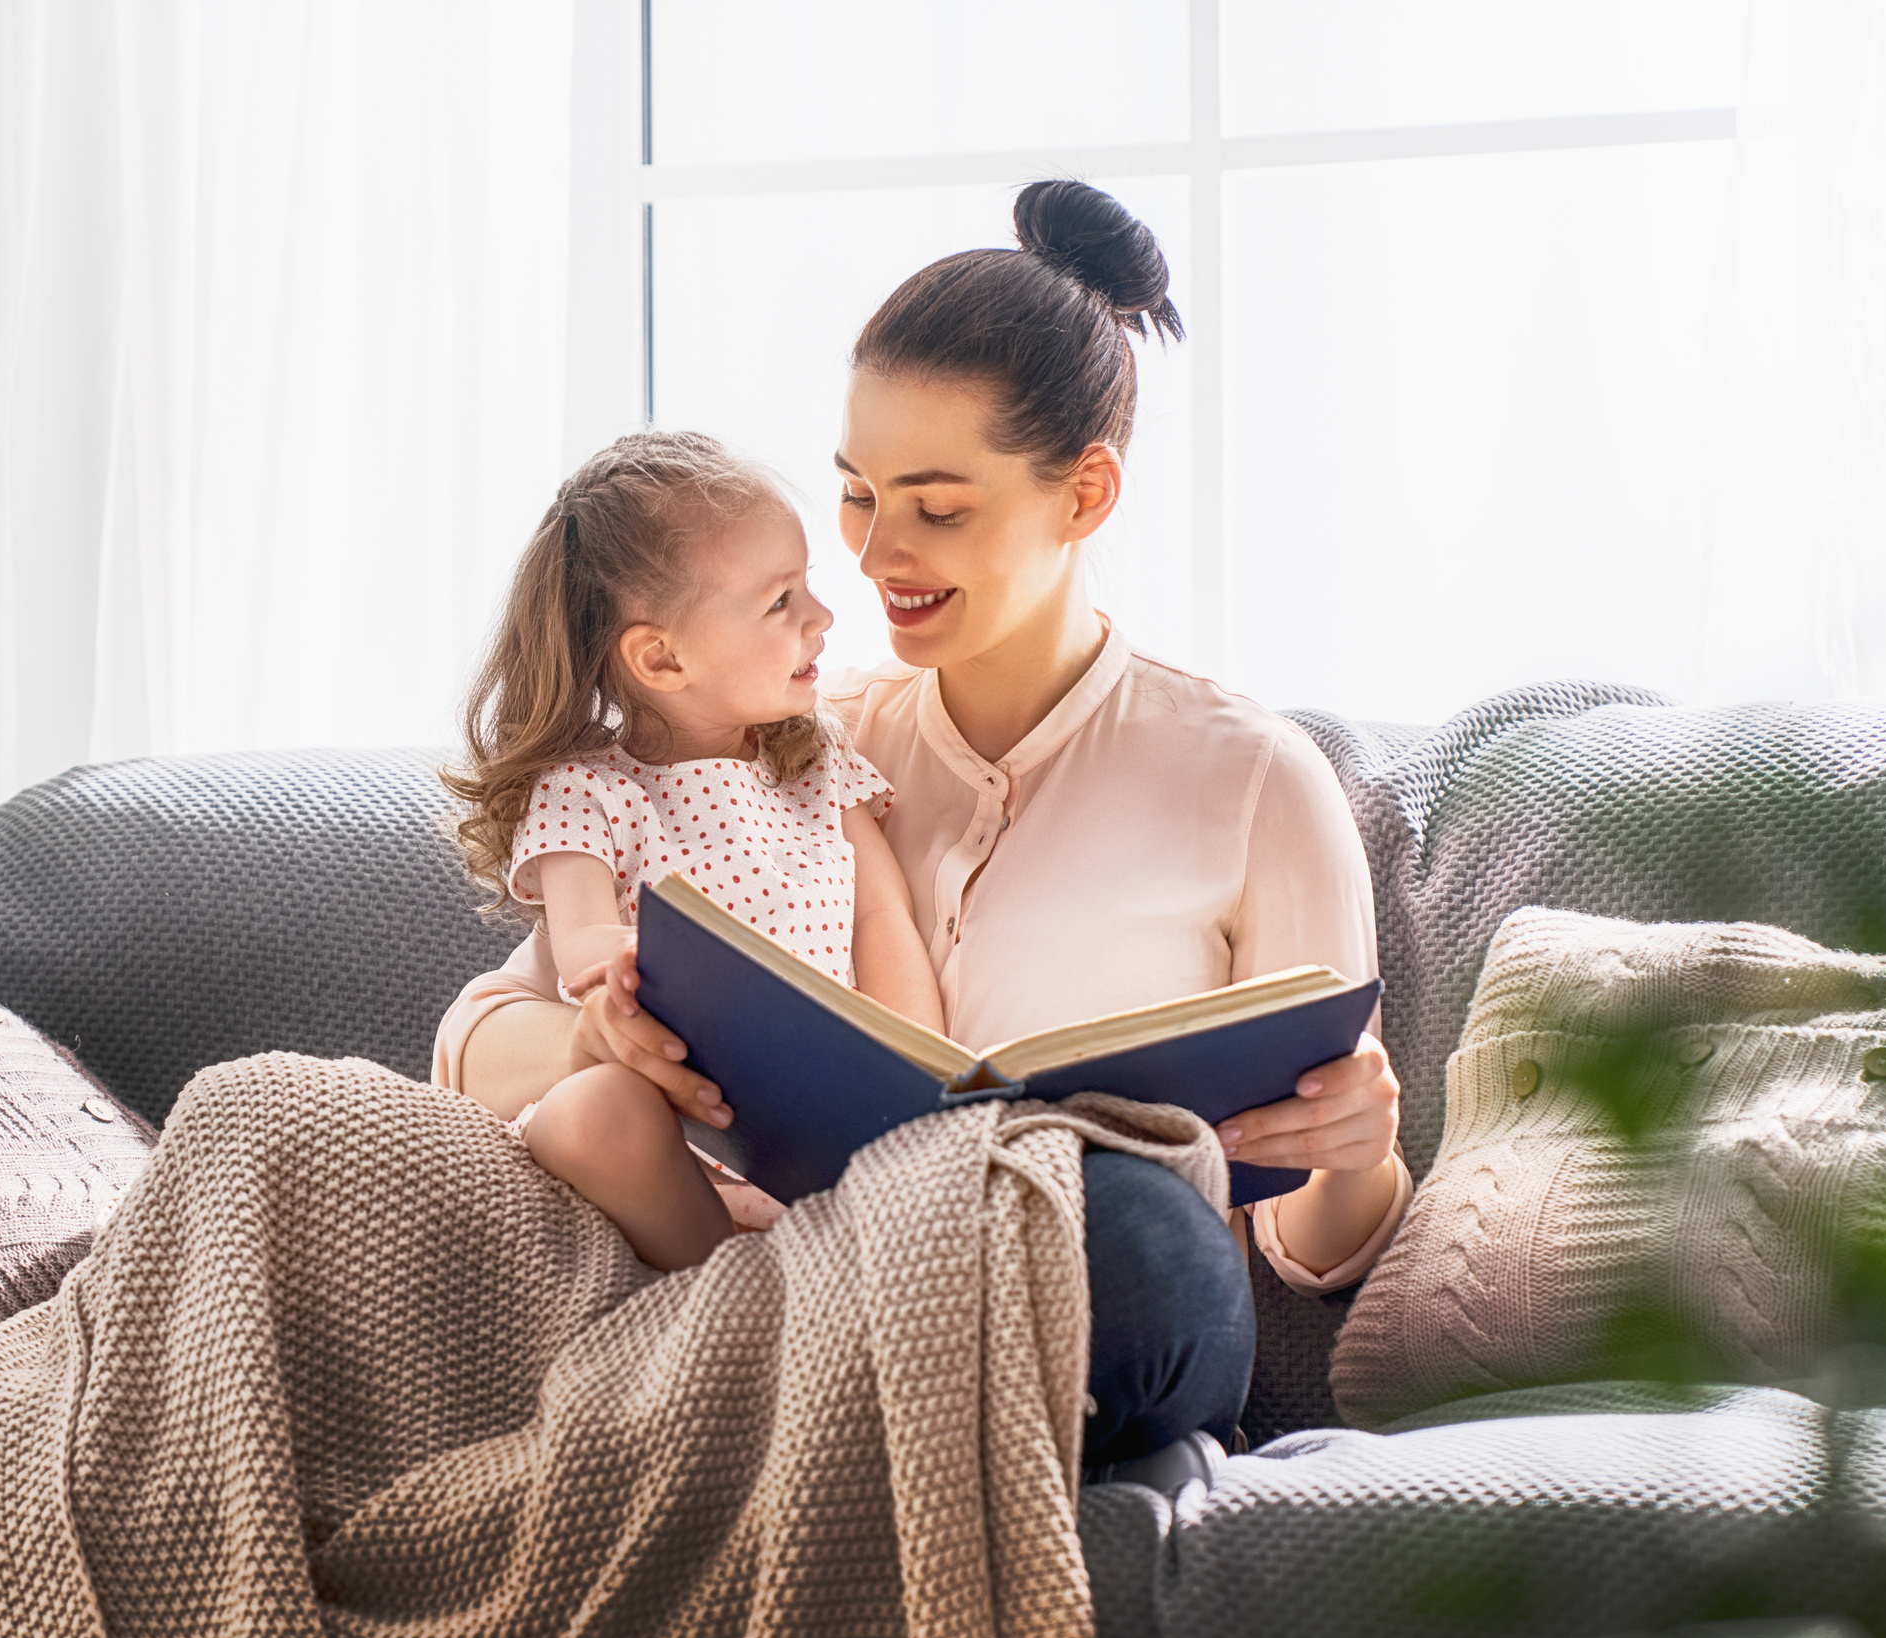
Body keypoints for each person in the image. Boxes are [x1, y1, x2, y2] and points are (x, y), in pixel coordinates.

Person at [434, 181, 1407, 1481]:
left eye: (936, 506)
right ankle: (812, 1404)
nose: (874, 552)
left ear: (1087, 492)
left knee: (1132, 1228)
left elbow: (1313, 1248)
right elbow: (474, 1045)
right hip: (818, 1265)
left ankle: (824, 1389)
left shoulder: (1254, 781)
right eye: (856, 492)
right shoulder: (782, 741)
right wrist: (605, 1037)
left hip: (1113, 1294)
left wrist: (1362, 1150)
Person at [443, 431, 944, 1272]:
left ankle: (768, 1283)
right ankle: (736, 1300)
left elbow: (881, 912)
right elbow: (586, 946)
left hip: (813, 1132)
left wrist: (919, 1080)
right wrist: (630, 979)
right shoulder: (591, 790)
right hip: (672, 1122)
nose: (821, 615)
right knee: (594, 1109)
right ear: (661, 657)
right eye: (781, 601)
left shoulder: (817, 765)